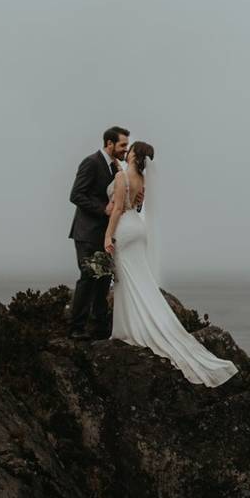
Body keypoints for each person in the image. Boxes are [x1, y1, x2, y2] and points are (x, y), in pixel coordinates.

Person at [104, 141, 238, 387]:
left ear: (134, 154)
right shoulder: (142, 181)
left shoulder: (123, 177)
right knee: (140, 279)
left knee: (126, 281)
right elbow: (137, 205)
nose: (128, 152)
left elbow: (117, 211)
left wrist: (107, 237)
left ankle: (128, 328)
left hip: (124, 228)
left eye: (130, 149)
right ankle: (147, 322)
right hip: (138, 229)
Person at [67, 126, 130, 340]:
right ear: (109, 143)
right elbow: (76, 194)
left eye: (127, 146)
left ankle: (100, 328)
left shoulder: (118, 167)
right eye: (122, 145)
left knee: (103, 279)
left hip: (106, 234)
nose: (125, 149)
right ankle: (76, 328)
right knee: (87, 278)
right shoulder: (91, 162)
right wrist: (102, 208)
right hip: (86, 232)